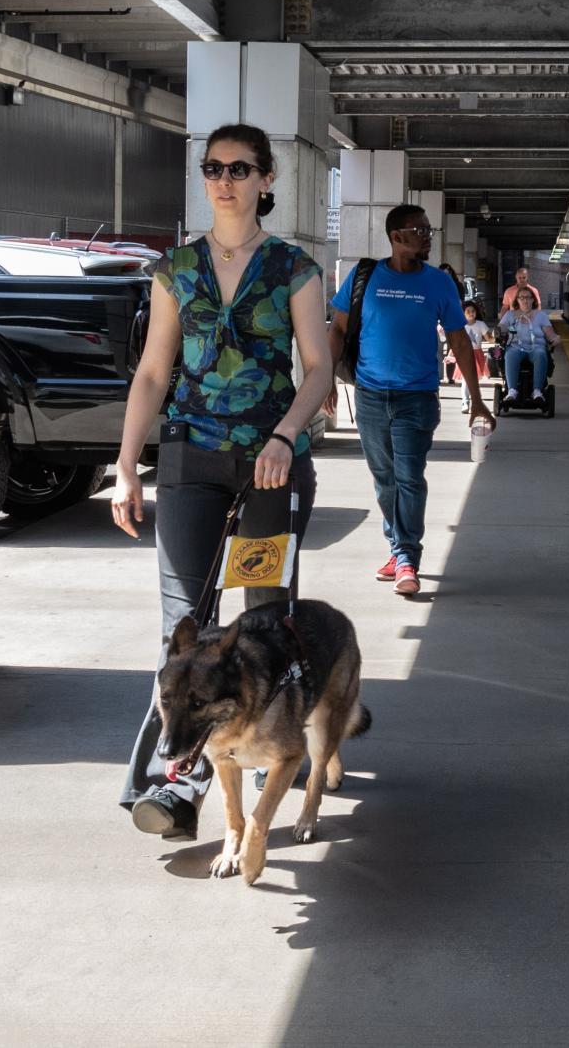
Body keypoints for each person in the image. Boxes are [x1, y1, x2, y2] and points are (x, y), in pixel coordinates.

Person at [111, 123, 333, 838]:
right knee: (184, 628)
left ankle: (282, 748)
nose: (225, 180)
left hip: (271, 467)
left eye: (240, 168)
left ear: (267, 180)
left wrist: (284, 434)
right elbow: (152, 373)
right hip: (189, 460)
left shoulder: (293, 269)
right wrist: (124, 467)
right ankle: (172, 785)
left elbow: (319, 368)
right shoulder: (175, 270)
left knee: (265, 621)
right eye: (213, 167)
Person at [325, 205, 492, 596]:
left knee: (409, 478)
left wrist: (479, 400)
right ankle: (397, 545)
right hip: (368, 395)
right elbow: (337, 330)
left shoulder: (438, 283)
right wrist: (325, 381)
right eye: (420, 229)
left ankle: (406, 557)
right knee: (385, 480)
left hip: (416, 397)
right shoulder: (364, 276)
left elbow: (458, 341)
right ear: (396, 237)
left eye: (429, 228)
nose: (428, 235)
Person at [499, 287, 561, 401]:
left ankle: (537, 391)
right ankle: (512, 391)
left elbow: (549, 333)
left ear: (533, 300)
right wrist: (498, 331)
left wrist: (555, 338)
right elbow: (501, 328)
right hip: (516, 346)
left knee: (541, 354)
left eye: (528, 297)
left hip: (536, 347)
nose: (525, 300)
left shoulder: (541, 316)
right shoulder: (510, 315)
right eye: (522, 297)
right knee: (510, 354)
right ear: (517, 300)